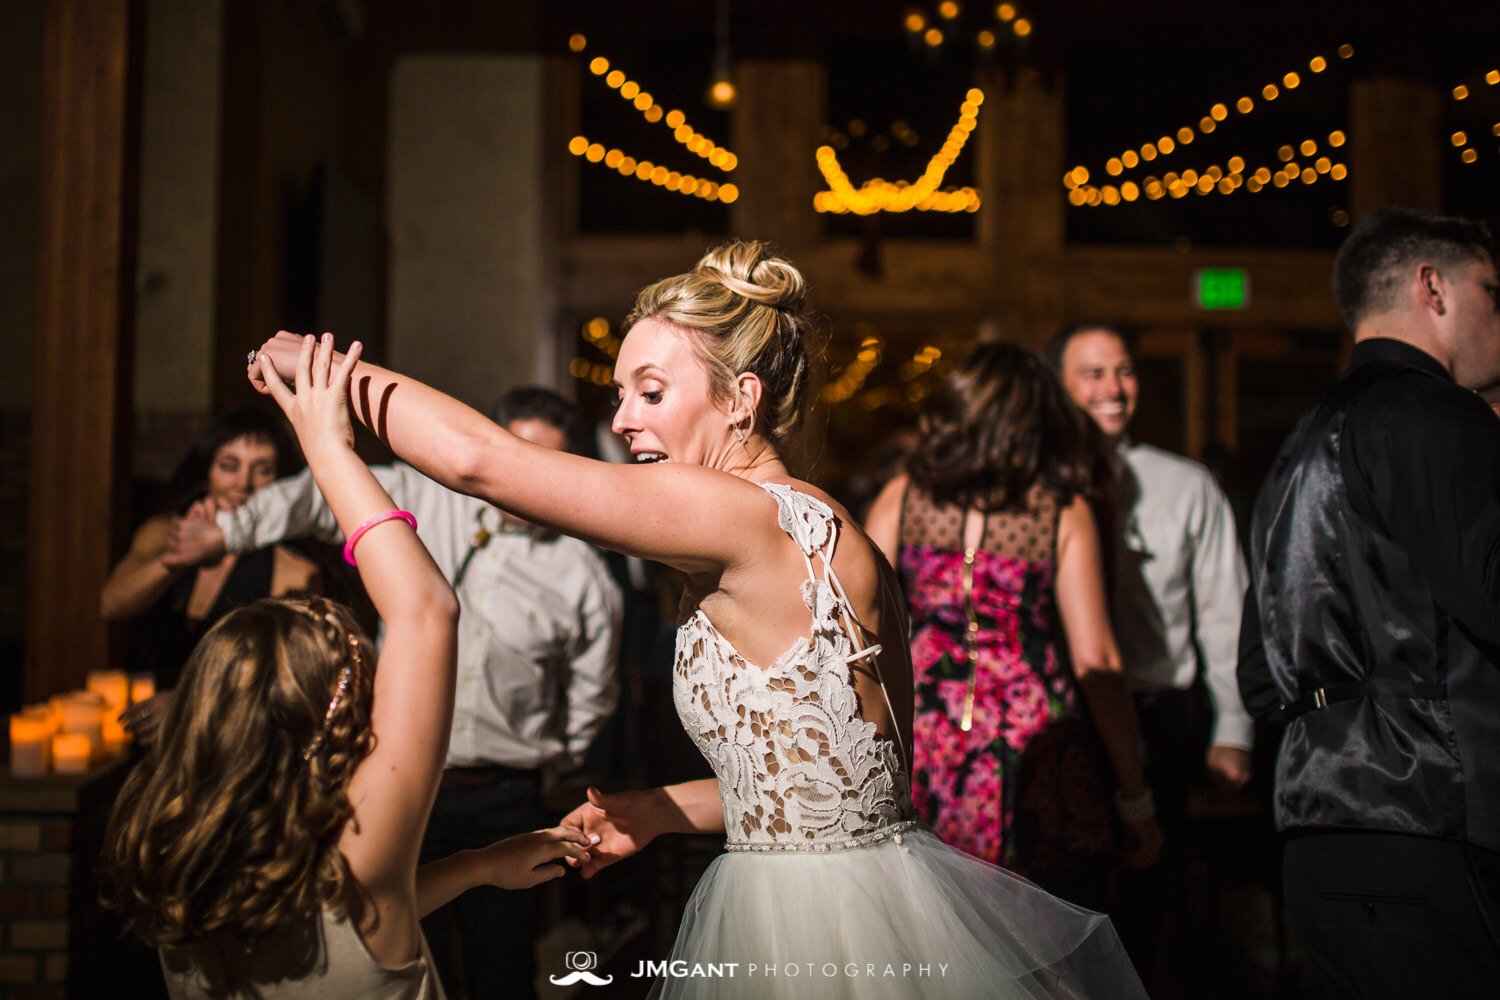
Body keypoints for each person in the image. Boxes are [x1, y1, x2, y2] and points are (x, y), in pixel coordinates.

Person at [248, 242, 1148, 998]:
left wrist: (329, 381)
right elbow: (842, 791)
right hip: (875, 900)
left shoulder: (738, 516)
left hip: (806, 938)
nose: (623, 418)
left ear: (741, 399)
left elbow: (484, 463)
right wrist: (662, 810)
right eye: (620, 394)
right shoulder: (835, 531)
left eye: (650, 391)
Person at [104, 335, 594, 999]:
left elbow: (350, 905)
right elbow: (424, 609)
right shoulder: (364, 871)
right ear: (330, 715)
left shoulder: (177, 863)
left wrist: (480, 867)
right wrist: (328, 444)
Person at [1238, 207, 1500, 998]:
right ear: (1435, 288)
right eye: (1494, 289)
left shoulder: (1299, 445)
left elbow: (1259, 675)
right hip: (1440, 817)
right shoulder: (1436, 414)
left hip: (1318, 833)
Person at [863, 342, 1162, 910]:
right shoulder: (1062, 508)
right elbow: (1096, 661)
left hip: (926, 737)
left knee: (935, 930)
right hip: (1035, 749)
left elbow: (859, 628)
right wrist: (1134, 795)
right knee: (1037, 940)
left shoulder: (902, 497)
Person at [1048, 321, 1252, 978]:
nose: (1114, 387)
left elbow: (1226, 612)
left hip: (1158, 720)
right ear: (1059, 386)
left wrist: (1233, 729)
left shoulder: (1187, 486)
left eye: (1124, 371)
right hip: (1059, 719)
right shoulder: (1033, 485)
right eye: (1093, 373)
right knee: (1053, 910)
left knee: (1145, 908)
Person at [100, 406, 321, 742]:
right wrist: (177, 559)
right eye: (229, 466)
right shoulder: (162, 534)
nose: (243, 483)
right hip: (142, 737)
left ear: (280, 486)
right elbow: (111, 606)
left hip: (232, 743)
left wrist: (189, 704)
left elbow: (286, 679)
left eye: (262, 470)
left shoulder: (294, 569)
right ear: (206, 473)